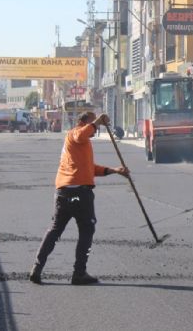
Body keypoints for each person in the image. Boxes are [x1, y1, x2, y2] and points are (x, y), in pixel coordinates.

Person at [28, 111, 129, 285]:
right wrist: (98, 121)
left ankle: (37, 268)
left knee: (55, 229)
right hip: (79, 195)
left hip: (64, 194)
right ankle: (79, 272)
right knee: (87, 230)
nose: (95, 129)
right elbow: (82, 134)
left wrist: (114, 170)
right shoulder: (75, 133)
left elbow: (90, 168)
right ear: (84, 122)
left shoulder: (79, 146)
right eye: (92, 124)